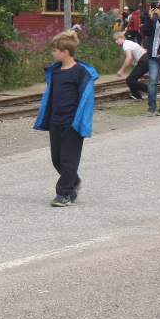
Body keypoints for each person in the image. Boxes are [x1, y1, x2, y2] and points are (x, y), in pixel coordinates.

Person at [32, 30, 98, 208]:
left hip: (73, 124)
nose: (52, 53)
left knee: (69, 160)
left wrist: (80, 122)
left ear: (65, 52)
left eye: (55, 50)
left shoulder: (81, 73)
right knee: (57, 159)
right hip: (56, 121)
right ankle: (73, 180)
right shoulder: (55, 72)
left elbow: (86, 101)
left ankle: (63, 193)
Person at [113, 30, 150, 100]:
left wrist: (122, 70)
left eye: (116, 40)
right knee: (131, 79)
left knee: (130, 80)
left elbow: (129, 58)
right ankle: (137, 96)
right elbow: (131, 59)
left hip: (144, 61)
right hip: (144, 61)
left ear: (121, 38)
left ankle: (150, 91)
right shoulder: (128, 43)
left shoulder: (126, 44)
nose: (116, 42)